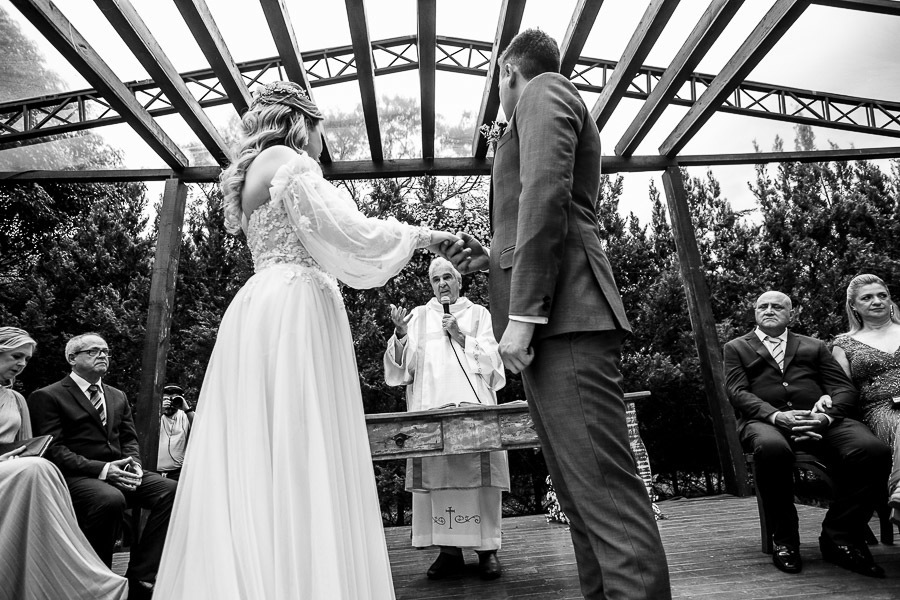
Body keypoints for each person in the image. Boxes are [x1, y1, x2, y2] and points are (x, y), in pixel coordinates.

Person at [153, 81, 457, 600]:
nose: (322, 143)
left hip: (256, 310)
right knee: (300, 438)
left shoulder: (252, 173)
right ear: (302, 121)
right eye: (320, 130)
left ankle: (265, 574)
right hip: (295, 308)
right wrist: (423, 237)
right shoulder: (291, 165)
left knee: (259, 445)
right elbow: (350, 233)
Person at [443, 29, 671, 600]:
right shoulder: (538, 103)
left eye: (497, 80)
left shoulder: (543, 90)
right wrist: (491, 255)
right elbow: (539, 212)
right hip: (555, 323)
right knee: (578, 495)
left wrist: (522, 315)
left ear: (506, 70)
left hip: (565, 318)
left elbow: (545, 194)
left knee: (607, 498)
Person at [724, 290, 891, 577]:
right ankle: (785, 540)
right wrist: (776, 416)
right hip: (767, 422)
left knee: (873, 450)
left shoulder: (813, 346)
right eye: (762, 306)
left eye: (777, 306)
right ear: (755, 313)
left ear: (791, 314)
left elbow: (843, 388)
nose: (769, 310)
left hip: (821, 420)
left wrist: (825, 417)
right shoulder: (737, 348)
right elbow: (737, 392)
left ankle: (840, 534)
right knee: (772, 449)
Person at [384, 257, 509, 580]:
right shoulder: (419, 317)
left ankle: (486, 551)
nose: (442, 284)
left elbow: (496, 367)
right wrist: (400, 335)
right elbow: (401, 372)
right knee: (438, 488)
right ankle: (448, 551)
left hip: (473, 412)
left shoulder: (479, 315)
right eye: (436, 279)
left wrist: (460, 336)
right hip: (432, 415)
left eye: (447, 278)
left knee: (480, 483)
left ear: (459, 282)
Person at [28, 332, 177, 600]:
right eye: (94, 351)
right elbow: (54, 450)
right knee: (110, 499)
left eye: (106, 351)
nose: (103, 356)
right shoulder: (47, 396)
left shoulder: (117, 395)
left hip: (121, 472)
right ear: (72, 358)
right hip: (76, 476)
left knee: (171, 490)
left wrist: (135, 466)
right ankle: (98, 579)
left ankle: (142, 576)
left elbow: (129, 438)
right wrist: (104, 470)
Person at [0, 327, 128, 600]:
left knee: (37, 467)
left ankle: (86, 576)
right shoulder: (49, 395)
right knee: (39, 469)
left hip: (19, 469)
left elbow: (33, 447)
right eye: (16, 356)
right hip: (18, 471)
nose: (21, 364)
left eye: (26, 359)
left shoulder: (17, 400)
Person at [827, 274, 900, 520]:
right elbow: (842, 389)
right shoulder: (844, 344)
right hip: (882, 409)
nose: (877, 301)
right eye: (867, 298)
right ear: (854, 306)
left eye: (882, 295)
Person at [157, 384, 194, 480]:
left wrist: (186, 408)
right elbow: (143, 431)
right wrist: (159, 409)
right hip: (154, 472)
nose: (170, 403)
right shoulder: (155, 415)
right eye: (166, 399)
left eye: (173, 399)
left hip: (178, 473)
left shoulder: (186, 416)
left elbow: (200, 429)